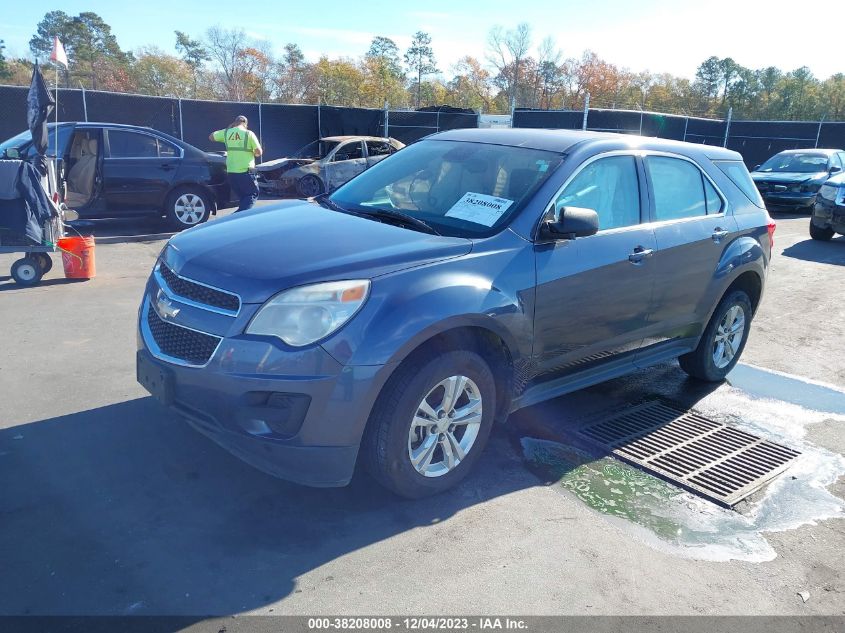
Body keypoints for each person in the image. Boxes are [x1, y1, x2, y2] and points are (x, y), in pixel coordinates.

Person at [209, 115, 263, 212]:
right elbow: (259, 152)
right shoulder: (248, 134)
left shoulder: (226, 133)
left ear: (235, 123)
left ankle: (243, 222)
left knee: (243, 197)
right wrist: (254, 153)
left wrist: (228, 129)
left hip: (231, 172)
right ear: (245, 124)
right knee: (252, 194)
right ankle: (237, 217)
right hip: (245, 172)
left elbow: (211, 137)